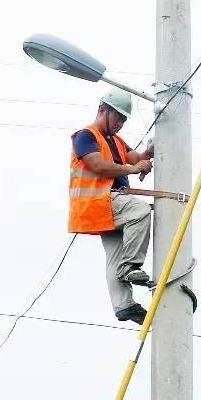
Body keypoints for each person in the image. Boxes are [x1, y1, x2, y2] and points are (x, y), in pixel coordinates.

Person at [69, 89, 156, 324]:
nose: (120, 123)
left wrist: (150, 152)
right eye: (118, 118)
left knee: (115, 257)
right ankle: (131, 266)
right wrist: (132, 169)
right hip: (98, 202)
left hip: (105, 208)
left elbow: (136, 158)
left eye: (124, 120)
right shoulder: (85, 136)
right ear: (102, 111)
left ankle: (123, 305)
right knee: (140, 211)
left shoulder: (116, 141)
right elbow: (99, 166)